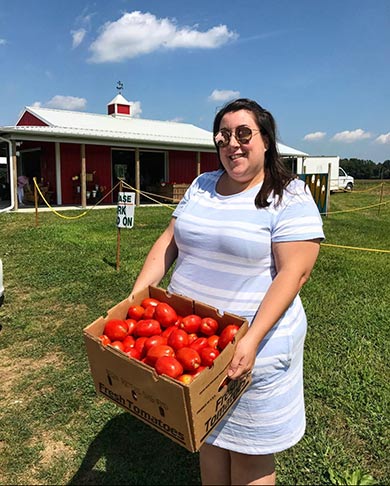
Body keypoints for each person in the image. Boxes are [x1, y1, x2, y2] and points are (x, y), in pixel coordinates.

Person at [129, 98, 324, 485]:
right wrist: (136, 300)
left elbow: (295, 273)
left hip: (254, 348)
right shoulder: (202, 185)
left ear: (266, 140)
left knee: (250, 457)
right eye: (223, 136)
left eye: (243, 133)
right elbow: (168, 240)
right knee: (211, 440)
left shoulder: (290, 195)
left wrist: (249, 339)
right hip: (193, 343)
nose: (232, 144)